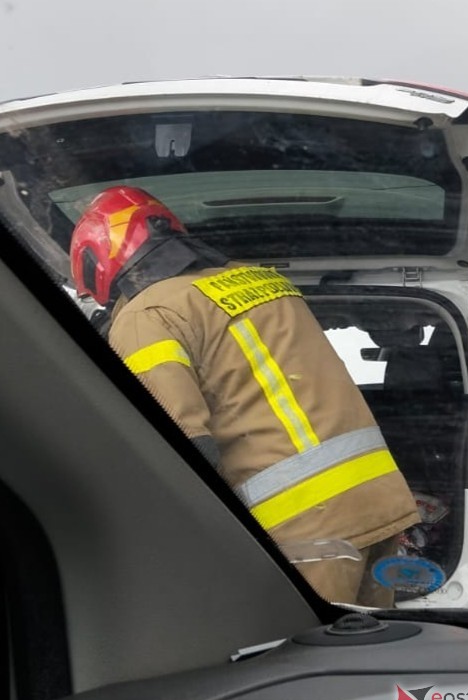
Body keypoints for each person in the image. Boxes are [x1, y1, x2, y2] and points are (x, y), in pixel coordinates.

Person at [69, 185, 420, 607]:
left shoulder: (147, 315)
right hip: (380, 505)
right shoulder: (266, 281)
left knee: (302, 664)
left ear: (97, 262)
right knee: (365, 655)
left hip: (304, 531)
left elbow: (175, 450)